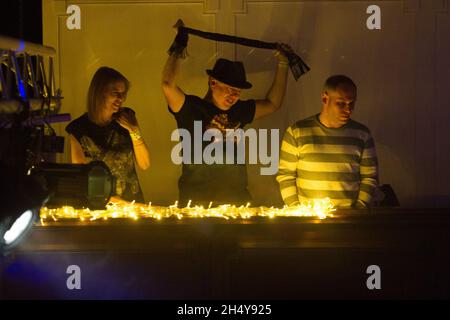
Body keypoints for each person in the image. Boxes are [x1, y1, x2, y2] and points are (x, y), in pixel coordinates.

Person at [162, 24, 292, 207]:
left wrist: (283, 63)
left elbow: (273, 104)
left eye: (237, 91)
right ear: (213, 83)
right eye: (229, 89)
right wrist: (179, 44)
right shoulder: (191, 108)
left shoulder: (239, 110)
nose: (233, 95)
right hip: (196, 201)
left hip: (236, 200)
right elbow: (168, 85)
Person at [276, 75, 378, 209]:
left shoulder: (362, 134)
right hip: (307, 219)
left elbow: (370, 178)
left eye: (351, 103)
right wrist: (297, 210)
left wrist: (357, 210)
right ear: (325, 98)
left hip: (349, 220)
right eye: (341, 103)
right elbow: (286, 176)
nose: (348, 109)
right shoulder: (297, 132)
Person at [66, 66, 150, 203]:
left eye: (123, 93)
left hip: (133, 208)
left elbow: (145, 164)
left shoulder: (127, 117)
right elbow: (82, 178)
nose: (121, 98)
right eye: (116, 92)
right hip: (100, 208)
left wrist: (134, 131)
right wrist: (117, 202)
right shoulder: (78, 129)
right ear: (100, 92)